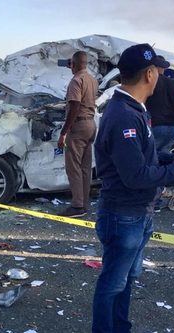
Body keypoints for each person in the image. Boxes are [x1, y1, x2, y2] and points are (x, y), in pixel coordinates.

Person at [91, 44, 174, 333]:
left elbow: (142, 154)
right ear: (150, 74)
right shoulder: (125, 115)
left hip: (137, 212)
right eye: (160, 72)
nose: (161, 76)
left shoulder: (134, 109)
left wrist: (173, 160)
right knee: (113, 284)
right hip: (124, 214)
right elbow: (135, 175)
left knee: (124, 280)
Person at [57, 51, 98, 217]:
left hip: (78, 126)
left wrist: (64, 132)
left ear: (73, 64)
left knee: (73, 167)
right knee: (85, 167)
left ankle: (77, 206)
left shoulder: (76, 81)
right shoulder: (92, 79)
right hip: (91, 124)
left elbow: (74, 106)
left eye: (71, 64)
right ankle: (84, 203)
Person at [145, 55, 174, 156]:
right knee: (163, 159)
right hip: (171, 128)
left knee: (148, 158)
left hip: (154, 125)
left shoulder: (149, 81)